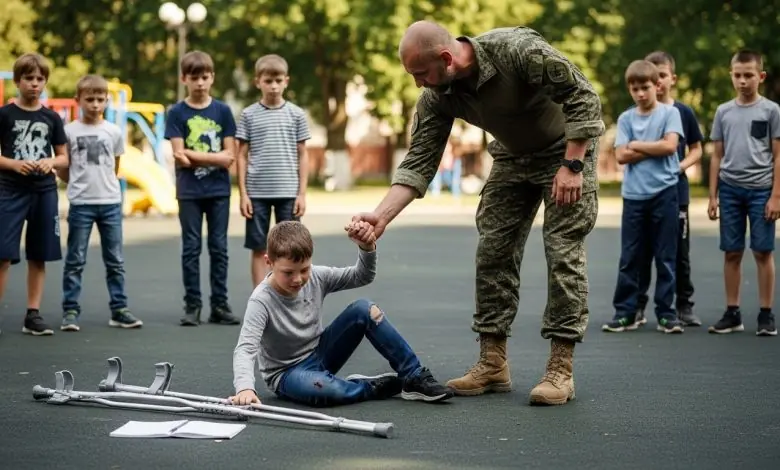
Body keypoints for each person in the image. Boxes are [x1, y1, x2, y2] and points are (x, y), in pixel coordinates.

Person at [349, 21, 604, 406]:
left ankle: (560, 369)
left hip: (564, 151)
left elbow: (584, 97)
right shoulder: (438, 94)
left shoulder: (516, 51)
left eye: (420, 74)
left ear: (447, 58)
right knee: (493, 251)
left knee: (562, 250)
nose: (418, 84)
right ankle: (493, 363)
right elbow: (419, 162)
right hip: (512, 157)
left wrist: (573, 165)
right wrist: (380, 217)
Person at [229, 220, 454, 407]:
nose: (298, 279)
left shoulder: (317, 276)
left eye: (304, 270)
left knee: (365, 310)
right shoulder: (261, 300)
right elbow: (246, 348)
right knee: (325, 391)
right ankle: (368, 388)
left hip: (320, 353)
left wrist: (366, 248)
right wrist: (245, 388)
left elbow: (361, 276)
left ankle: (413, 375)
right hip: (287, 374)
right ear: (269, 262)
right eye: (288, 273)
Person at [601, 60, 686, 334]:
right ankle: (625, 312)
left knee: (665, 255)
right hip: (634, 197)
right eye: (635, 89)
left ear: (657, 86)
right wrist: (654, 146)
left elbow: (671, 146)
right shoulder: (626, 118)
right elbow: (621, 156)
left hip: (664, 193)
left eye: (645, 87)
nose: (640, 94)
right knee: (630, 257)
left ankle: (666, 314)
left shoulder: (669, 114)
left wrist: (636, 144)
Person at [56, 74, 141, 331]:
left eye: (100, 99)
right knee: (75, 259)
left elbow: (115, 165)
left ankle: (119, 308)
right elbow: (64, 168)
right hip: (81, 203)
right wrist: (77, 184)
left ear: (107, 101)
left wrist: (107, 186)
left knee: (115, 260)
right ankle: (70, 310)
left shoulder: (113, 131)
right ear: (78, 100)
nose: (95, 104)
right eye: (89, 99)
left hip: (110, 203)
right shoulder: (68, 131)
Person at [707, 49, 780, 337]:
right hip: (730, 190)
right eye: (737, 75)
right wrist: (713, 195)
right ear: (731, 76)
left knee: (763, 251)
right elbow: (716, 156)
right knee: (732, 252)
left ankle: (765, 313)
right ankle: (732, 312)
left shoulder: (772, 111)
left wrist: (776, 195)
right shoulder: (723, 111)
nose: (742, 81)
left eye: (748, 75)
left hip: (762, 189)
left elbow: (777, 156)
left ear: (760, 76)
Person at [164, 50, 239, 327]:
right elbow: (177, 154)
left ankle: (219, 304)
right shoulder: (176, 112)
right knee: (191, 248)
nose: (200, 83)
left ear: (212, 78)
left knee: (219, 248)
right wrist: (215, 158)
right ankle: (192, 305)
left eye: (205, 77)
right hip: (189, 192)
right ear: (184, 78)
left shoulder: (222, 111)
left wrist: (196, 156)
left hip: (218, 191)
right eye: (194, 77)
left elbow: (229, 156)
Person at [0, 53, 69, 336]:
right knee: (2, 255)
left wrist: (49, 162)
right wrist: (15, 164)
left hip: (43, 190)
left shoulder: (52, 117)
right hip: (9, 189)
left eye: (40, 79)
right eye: (29, 78)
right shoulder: (4, 114)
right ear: (18, 81)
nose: (34, 84)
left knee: (38, 254)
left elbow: (64, 158)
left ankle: (33, 313)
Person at [634, 51, 704, 327]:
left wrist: (679, 166)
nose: (657, 81)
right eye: (653, 76)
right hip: (645, 193)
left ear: (672, 79)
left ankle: (684, 305)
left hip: (675, 194)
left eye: (662, 75)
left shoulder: (683, 112)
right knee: (642, 252)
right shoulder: (638, 114)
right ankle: (638, 306)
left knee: (678, 253)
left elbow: (697, 150)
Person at [236, 54, 311, 287]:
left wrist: (302, 193)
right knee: (259, 248)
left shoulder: (297, 115)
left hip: (288, 192)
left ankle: (289, 293)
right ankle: (261, 297)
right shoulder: (248, 115)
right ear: (257, 81)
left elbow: (303, 154)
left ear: (286, 81)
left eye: (278, 80)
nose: (274, 86)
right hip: (257, 193)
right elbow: (241, 155)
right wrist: (243, 194)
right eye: (268, 81)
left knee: (291, 248)